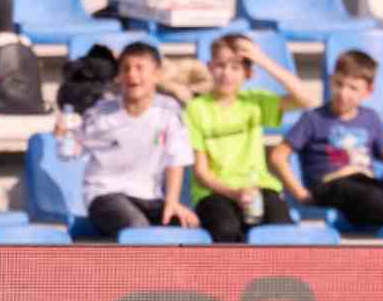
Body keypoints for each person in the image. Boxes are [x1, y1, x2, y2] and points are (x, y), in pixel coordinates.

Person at [57, 41, 198, 237]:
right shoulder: (100, 114)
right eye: (126, 68)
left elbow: (176, 159)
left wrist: (172, 202)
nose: (132, 74)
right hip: (105, 194)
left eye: (140, 68)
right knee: (136, 228)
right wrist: (63, 134)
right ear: (119, 76)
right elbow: (72, 149)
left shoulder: (169, 110)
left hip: (149, 196)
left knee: (185, 226)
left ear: (157, 74)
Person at [184, 34, 314, 243]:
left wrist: (261, 59)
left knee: (281, 231)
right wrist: (235, 193)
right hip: (214, 193)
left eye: (235, 67)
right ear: (209, 67)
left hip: (259, 188)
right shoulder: (196, 109)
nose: (226, 74)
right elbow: (201, 173)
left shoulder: (255, 102)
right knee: (226, 230)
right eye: (220, 66)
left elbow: (306, 100)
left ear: (248, 73)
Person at [270, 49, 383, 227]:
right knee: (368, 195)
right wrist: (301, 193)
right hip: (330, 185)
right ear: (331, 80)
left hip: (365, 185)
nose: (343, 93)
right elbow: (278, 156)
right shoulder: (313, 118)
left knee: (372, 193)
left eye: (353, 88)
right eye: (339, 84)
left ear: (368, 91)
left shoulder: (370, 118)